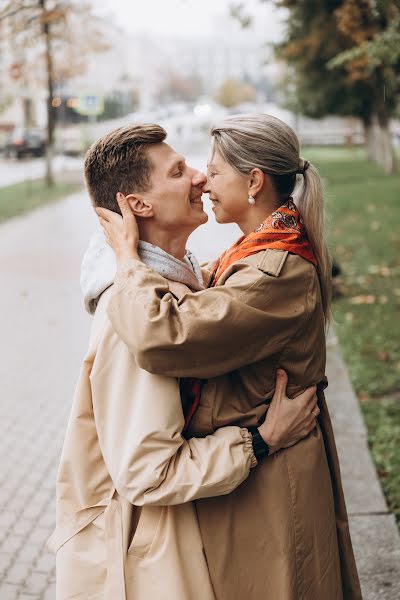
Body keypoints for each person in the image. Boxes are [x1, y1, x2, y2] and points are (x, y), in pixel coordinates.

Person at [49, 124, 320, 600]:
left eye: (204, 168)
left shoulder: (186, 284)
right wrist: (258, 441)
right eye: (179, 171)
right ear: (139, 206)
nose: (198, 177)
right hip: (160, 557)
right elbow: (147, 472)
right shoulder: (131, 313)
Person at [97, 115, 362, 599]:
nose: (204, 180)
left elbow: (165, 336)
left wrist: (128, 261)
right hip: (257, 475)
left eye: (215, 172)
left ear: (254, 181)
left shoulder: (276, 270)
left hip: (276, 485)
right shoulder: (256, 251)